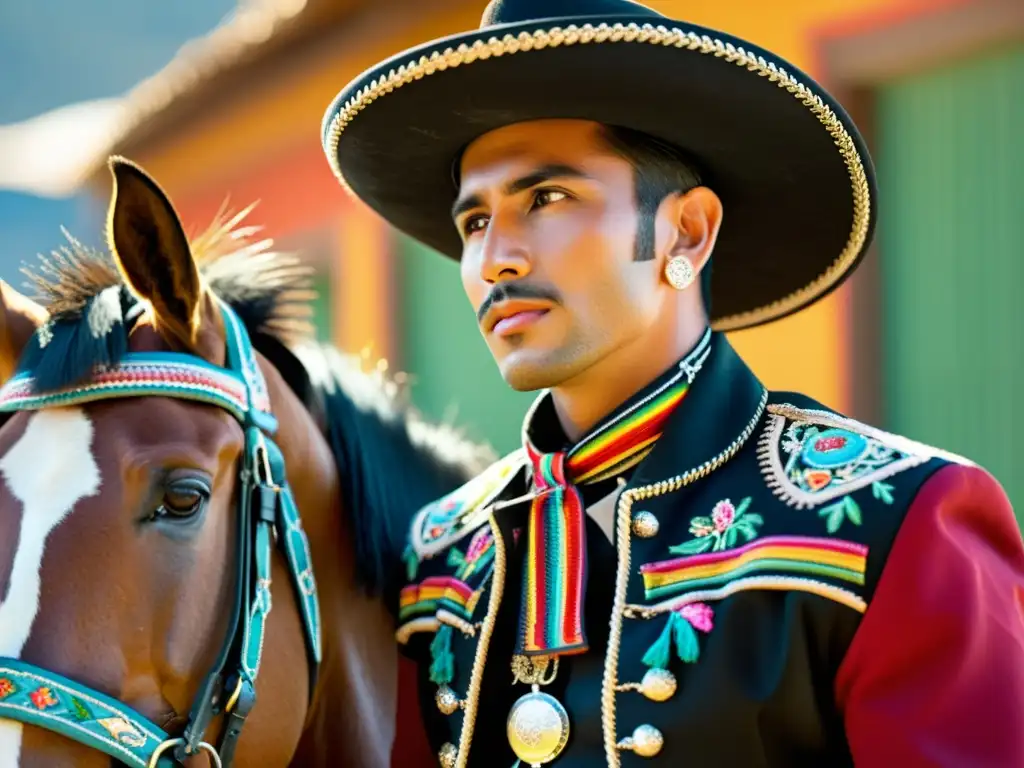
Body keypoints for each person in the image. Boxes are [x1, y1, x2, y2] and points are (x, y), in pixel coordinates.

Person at [321, 0, 1024, 765]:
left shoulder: (894, 521)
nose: (496, 260)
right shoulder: (444, 557)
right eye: (473, 223)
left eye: (546, 198)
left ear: (686, 231)